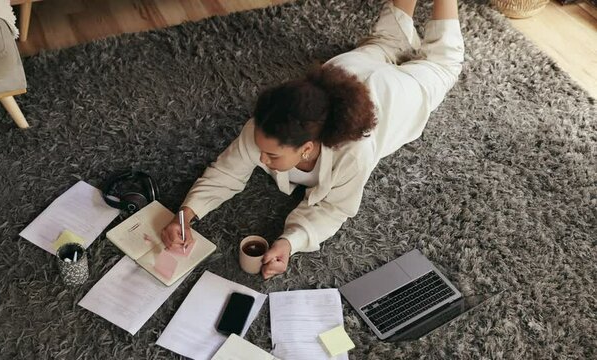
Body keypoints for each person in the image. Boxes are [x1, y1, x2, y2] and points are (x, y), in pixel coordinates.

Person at [161, 0, 465, 279]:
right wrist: (186, 214)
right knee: (384, 42)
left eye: (272, 156)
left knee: (443, 63)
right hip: (348, 69)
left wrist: (291, 241)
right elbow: (225, 172)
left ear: (306, 148)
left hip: (395, 94)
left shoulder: (354, 153)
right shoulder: (265, 129)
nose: (261, 158)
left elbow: (334, 208)